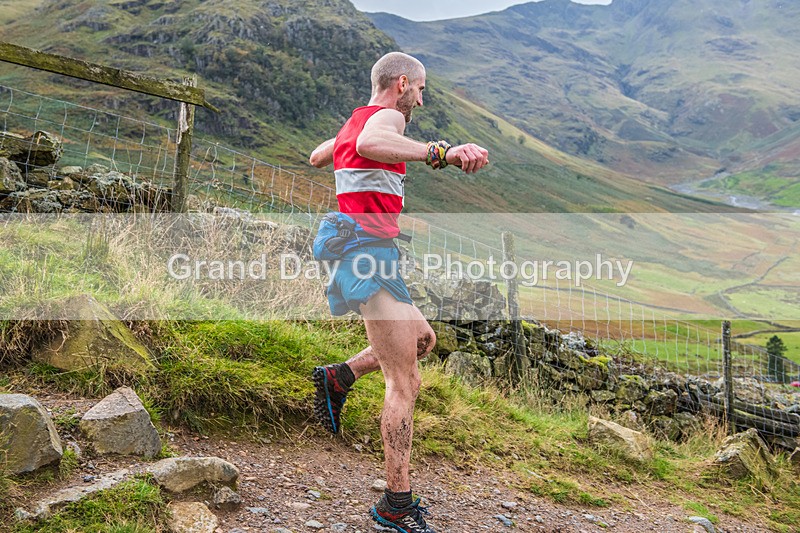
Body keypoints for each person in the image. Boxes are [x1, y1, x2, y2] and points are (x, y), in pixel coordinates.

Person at [308, 51, 489, 533]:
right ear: (402, 83)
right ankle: (395, 504)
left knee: (423, 341)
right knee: (404, 383)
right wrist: (442, 153)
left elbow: (318, 155)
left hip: (375, 253)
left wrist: (341, 145)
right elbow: (371, 141)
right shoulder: (385, 118)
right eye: (422, 89)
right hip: (368, 256)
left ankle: (338, 377)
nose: (422, 100)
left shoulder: (357, 120)